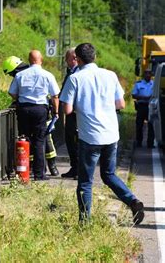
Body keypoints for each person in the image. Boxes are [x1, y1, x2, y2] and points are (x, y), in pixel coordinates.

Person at [60, 43, 144, 224]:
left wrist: (83, 108)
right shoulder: (110, 75)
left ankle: (85, 222)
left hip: (89, 136)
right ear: (95, 57)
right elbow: (121, 104)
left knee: (85, 182)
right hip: (111, 135)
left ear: (78, 60)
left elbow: (66, 109)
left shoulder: (75, 78)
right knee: (109, 174)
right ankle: (133, 201)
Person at [7, 50, 60, 180]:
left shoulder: (20, 75)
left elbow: (12, 92)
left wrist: (20, 98)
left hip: (24, 109)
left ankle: (24, 172)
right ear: (41, 60)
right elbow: (55, 96)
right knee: (39, 141)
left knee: (24, 138)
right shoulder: (47, 75)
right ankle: (39, 174)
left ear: (29, 60)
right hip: (40, 110)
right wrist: (56, 112)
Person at [60, 48, 79, 179]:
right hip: (70, 113)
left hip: (77, 113)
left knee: (77, 141)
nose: (66, 62)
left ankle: (79, 170)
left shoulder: (78, 73)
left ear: (73, 58)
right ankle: (74, 167)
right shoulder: (70, 72)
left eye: (66, 59)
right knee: (70, 140)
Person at [132, 70, 155, 148]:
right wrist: (143, 97)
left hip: (151, 106)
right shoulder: (139, 84)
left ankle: (150, 143)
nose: (148, 75)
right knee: (139, 125)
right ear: (144, 75)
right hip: (141, 106)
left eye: (149, 73)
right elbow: (134, 95)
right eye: (146, 73)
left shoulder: (154, 84)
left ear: (151, 75)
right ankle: (139, 142)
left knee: (151, 125)